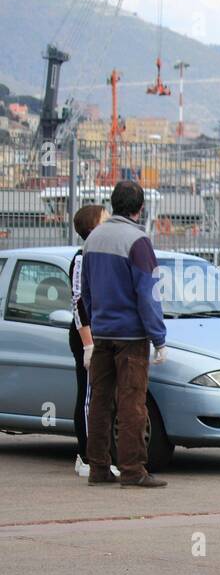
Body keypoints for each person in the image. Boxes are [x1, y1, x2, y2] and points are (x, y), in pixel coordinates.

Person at [81, 180, 167, 489]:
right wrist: (159, 337)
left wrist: (96, 320)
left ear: (113, 203)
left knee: (101, 402)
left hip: (102, 333)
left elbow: (86, 293)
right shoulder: (138, 241)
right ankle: (132, 470)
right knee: (132, 403)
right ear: (140, 208)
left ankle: (99, 468)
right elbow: (148, 294)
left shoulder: (94, 239)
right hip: (131, 337)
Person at [68, 203, 109, 478]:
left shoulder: (103, 256)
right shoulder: (82, 257)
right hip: (87, 335)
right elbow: (78, 302)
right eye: (104, 220)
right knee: (88, 396)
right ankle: (85, 456)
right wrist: (88, 344)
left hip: (104, 331)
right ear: (93, 228)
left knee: (102, 396)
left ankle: (102, 454)